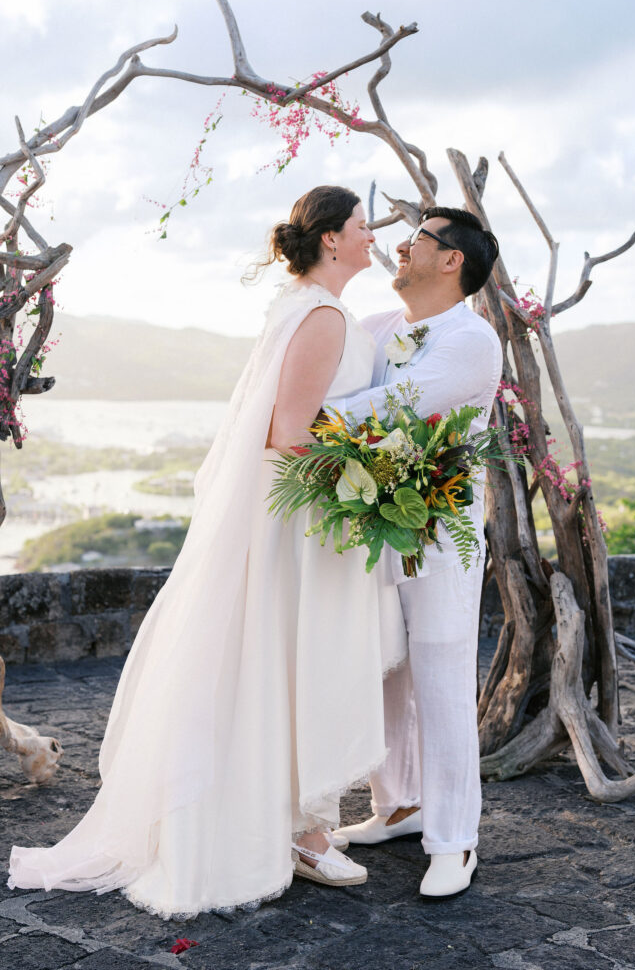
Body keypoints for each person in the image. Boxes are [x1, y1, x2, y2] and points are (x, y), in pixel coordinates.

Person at [7, 185, 406, 918]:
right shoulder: (321, 316)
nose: (371, 236)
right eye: (359, 226)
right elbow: (289, 431)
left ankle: (295, 819)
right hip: (300, 516)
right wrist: (377, 467)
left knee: (276, 660)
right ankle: (303, 831)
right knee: (295, 659)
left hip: (290, 510)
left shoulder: (303, 307)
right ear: (329, 241)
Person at [332, 207, 502, 898]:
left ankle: (454, 838)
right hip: (373, 519)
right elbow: (347, 385)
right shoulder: (376, 327)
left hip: (440, 530)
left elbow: (389, 406)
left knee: (438, 671)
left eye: (417, 240)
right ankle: (396, 804)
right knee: (384, 667)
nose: (400, 248)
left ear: (451, 259)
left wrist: (292, 416)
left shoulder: (471, 339)